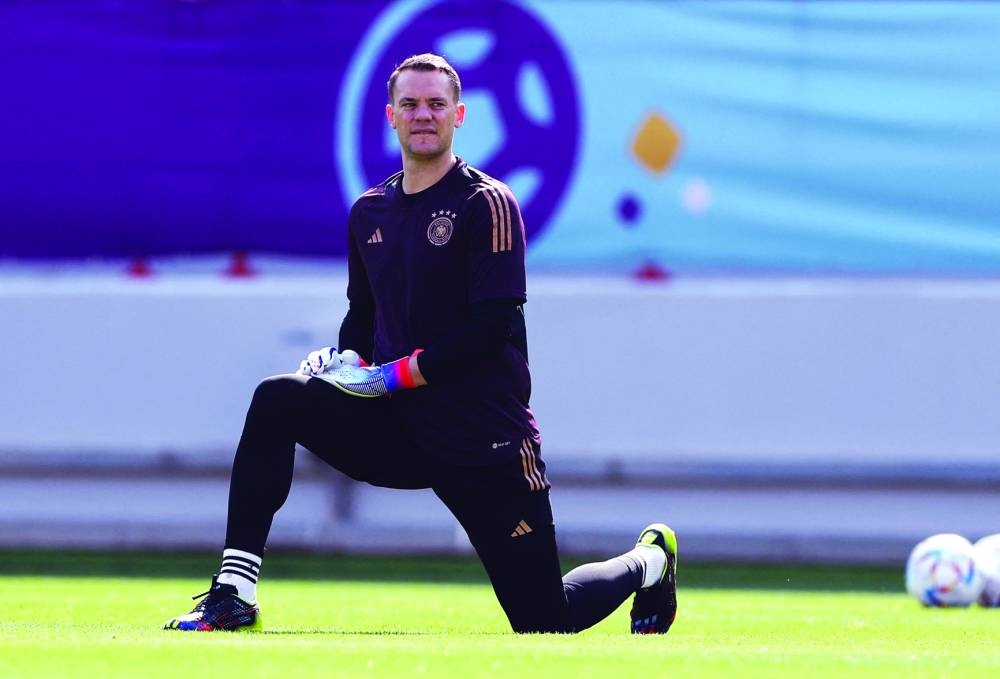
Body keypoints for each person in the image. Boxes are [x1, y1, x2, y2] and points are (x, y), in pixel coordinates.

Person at [164, 53, 677, 635]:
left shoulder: (488, 204)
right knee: (277, 400)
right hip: (400, 429)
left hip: (482, 438)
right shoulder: (368, 212)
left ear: (459, 114)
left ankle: (649, 562)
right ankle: (234, 595)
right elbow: (363, 314)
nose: (423, 115)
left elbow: (490, 332)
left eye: (436, 104)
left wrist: (390, 376)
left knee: (544, 621)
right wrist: (347, 363)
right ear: (390, 116)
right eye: (410, 104)